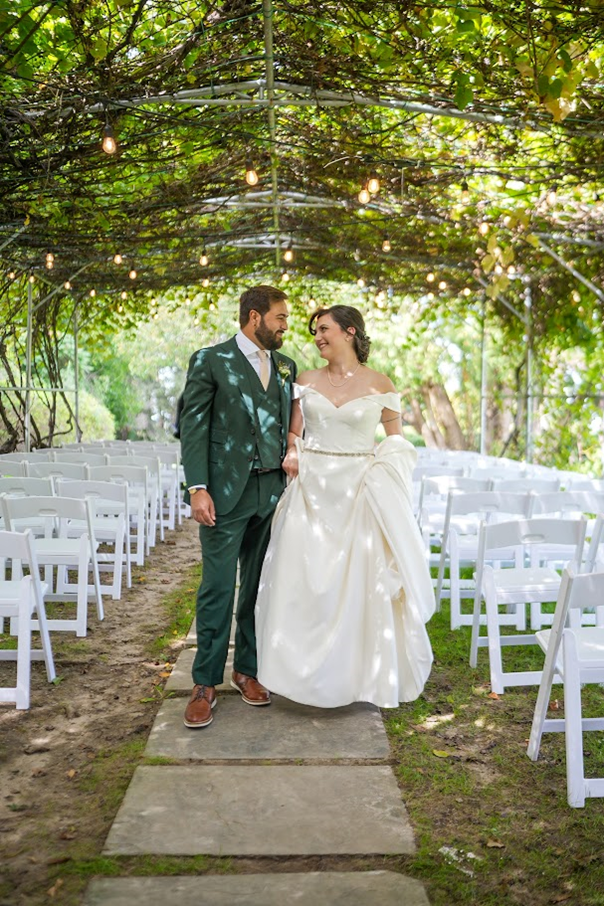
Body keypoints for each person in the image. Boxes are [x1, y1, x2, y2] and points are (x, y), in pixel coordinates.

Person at [255, 304, 435, 708]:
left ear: (350, 332)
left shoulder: (380, 383)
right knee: (302, 581)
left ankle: (356, 677)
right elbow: (293, 432)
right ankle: (297, 674)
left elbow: (397, 444)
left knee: (356, 586)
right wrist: (293, 452)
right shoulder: (305, 380)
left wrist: (384, 478)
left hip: (358, 493)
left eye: (324, 329)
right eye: (315, 331)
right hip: (311, 490)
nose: (317, 337)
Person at [179, 285, 297, 728]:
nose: (286, 325)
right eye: (280, 317)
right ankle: (204, 682)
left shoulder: (286, 367)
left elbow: (290, 425)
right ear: (254, 317)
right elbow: (193, 427)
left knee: (256, 588)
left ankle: (246, 670)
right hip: (224, 494)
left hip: (272, 494)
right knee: (218, 587)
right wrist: (197, 488)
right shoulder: (210, 360)